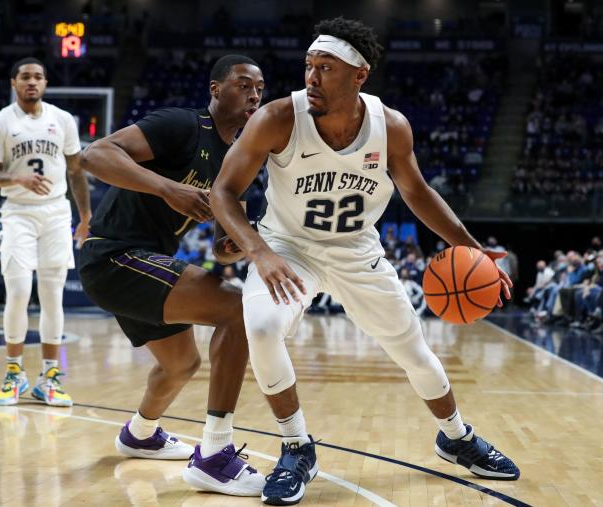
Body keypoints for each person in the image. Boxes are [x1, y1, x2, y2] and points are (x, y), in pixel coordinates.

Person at [210, 18, 520, 506]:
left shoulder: (389, 126)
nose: (311, 77)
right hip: (288, 246)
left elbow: (417, 192)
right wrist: (259, 252)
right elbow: (222, 193)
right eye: (309, 66)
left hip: (357, 249)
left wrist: (474, 248)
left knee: (413, 351)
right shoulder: (277, 118)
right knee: (264, 329)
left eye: (325, 68)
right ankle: (297, 446)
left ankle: (455, 437)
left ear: (359, 75)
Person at [78, 55, 265, 497]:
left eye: (259, 88)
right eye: (243, 85)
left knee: (182, 364)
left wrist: (231, 246)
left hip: (145, 264)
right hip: (113, 255)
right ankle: (215, 455)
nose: (254, 94)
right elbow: (95, 154)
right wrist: (168, 188)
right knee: (237, 309)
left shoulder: (237, 161)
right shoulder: (182, 124)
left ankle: (140, 433)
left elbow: (222, 252)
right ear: (216, 89)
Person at [0, 57, 91, 407]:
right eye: (25, 76)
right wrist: (17, 177)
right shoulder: (0, 123)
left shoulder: (62, 120)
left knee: (52, 295)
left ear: (45, 83)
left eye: (38, 77)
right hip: (17, 212)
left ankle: (50, 377)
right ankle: (14, 372)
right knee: (16, 291)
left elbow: (76, 171)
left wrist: (85, 216)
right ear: (14, 82)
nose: (32, 82)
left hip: (56, 212)